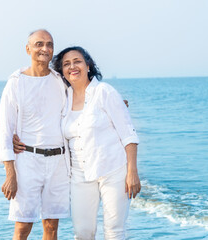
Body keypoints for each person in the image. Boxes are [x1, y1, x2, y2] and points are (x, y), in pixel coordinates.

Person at [50, 46, 141, 239]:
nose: (72, 66)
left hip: (113, 171)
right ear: (62, 72)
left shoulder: (105, 92)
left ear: (88, 65)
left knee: (114, 231)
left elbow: (128, 135)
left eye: (77, 61)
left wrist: (132, 171)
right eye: (66, 64)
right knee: (82, 232)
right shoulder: (63, 99)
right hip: (80, 175)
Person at [0, 29, 70, 240]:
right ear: (28, 49)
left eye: (49, 44)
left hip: (58, 162)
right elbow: (4, 129)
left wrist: (114, 105)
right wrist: (10, 173)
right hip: (27, 161)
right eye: (39, 44)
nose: (44, 49)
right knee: (22, 227)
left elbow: (84, 100)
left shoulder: (60, 81)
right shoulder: (16, 83)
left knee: (51, 226)